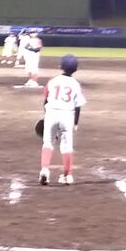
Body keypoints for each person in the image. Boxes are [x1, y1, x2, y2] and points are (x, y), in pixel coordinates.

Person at [39, 54, 86, 185]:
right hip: (67, 115)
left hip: (51, 113)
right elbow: (78, 106)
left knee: (48, 142)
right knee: (67, 145)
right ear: (75, 69)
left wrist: (46, 116)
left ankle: (44, 171)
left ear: (60, 66)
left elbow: (46, 100)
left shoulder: (53, 81)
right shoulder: (75, 84)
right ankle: (67, 175)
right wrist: (75, 123)